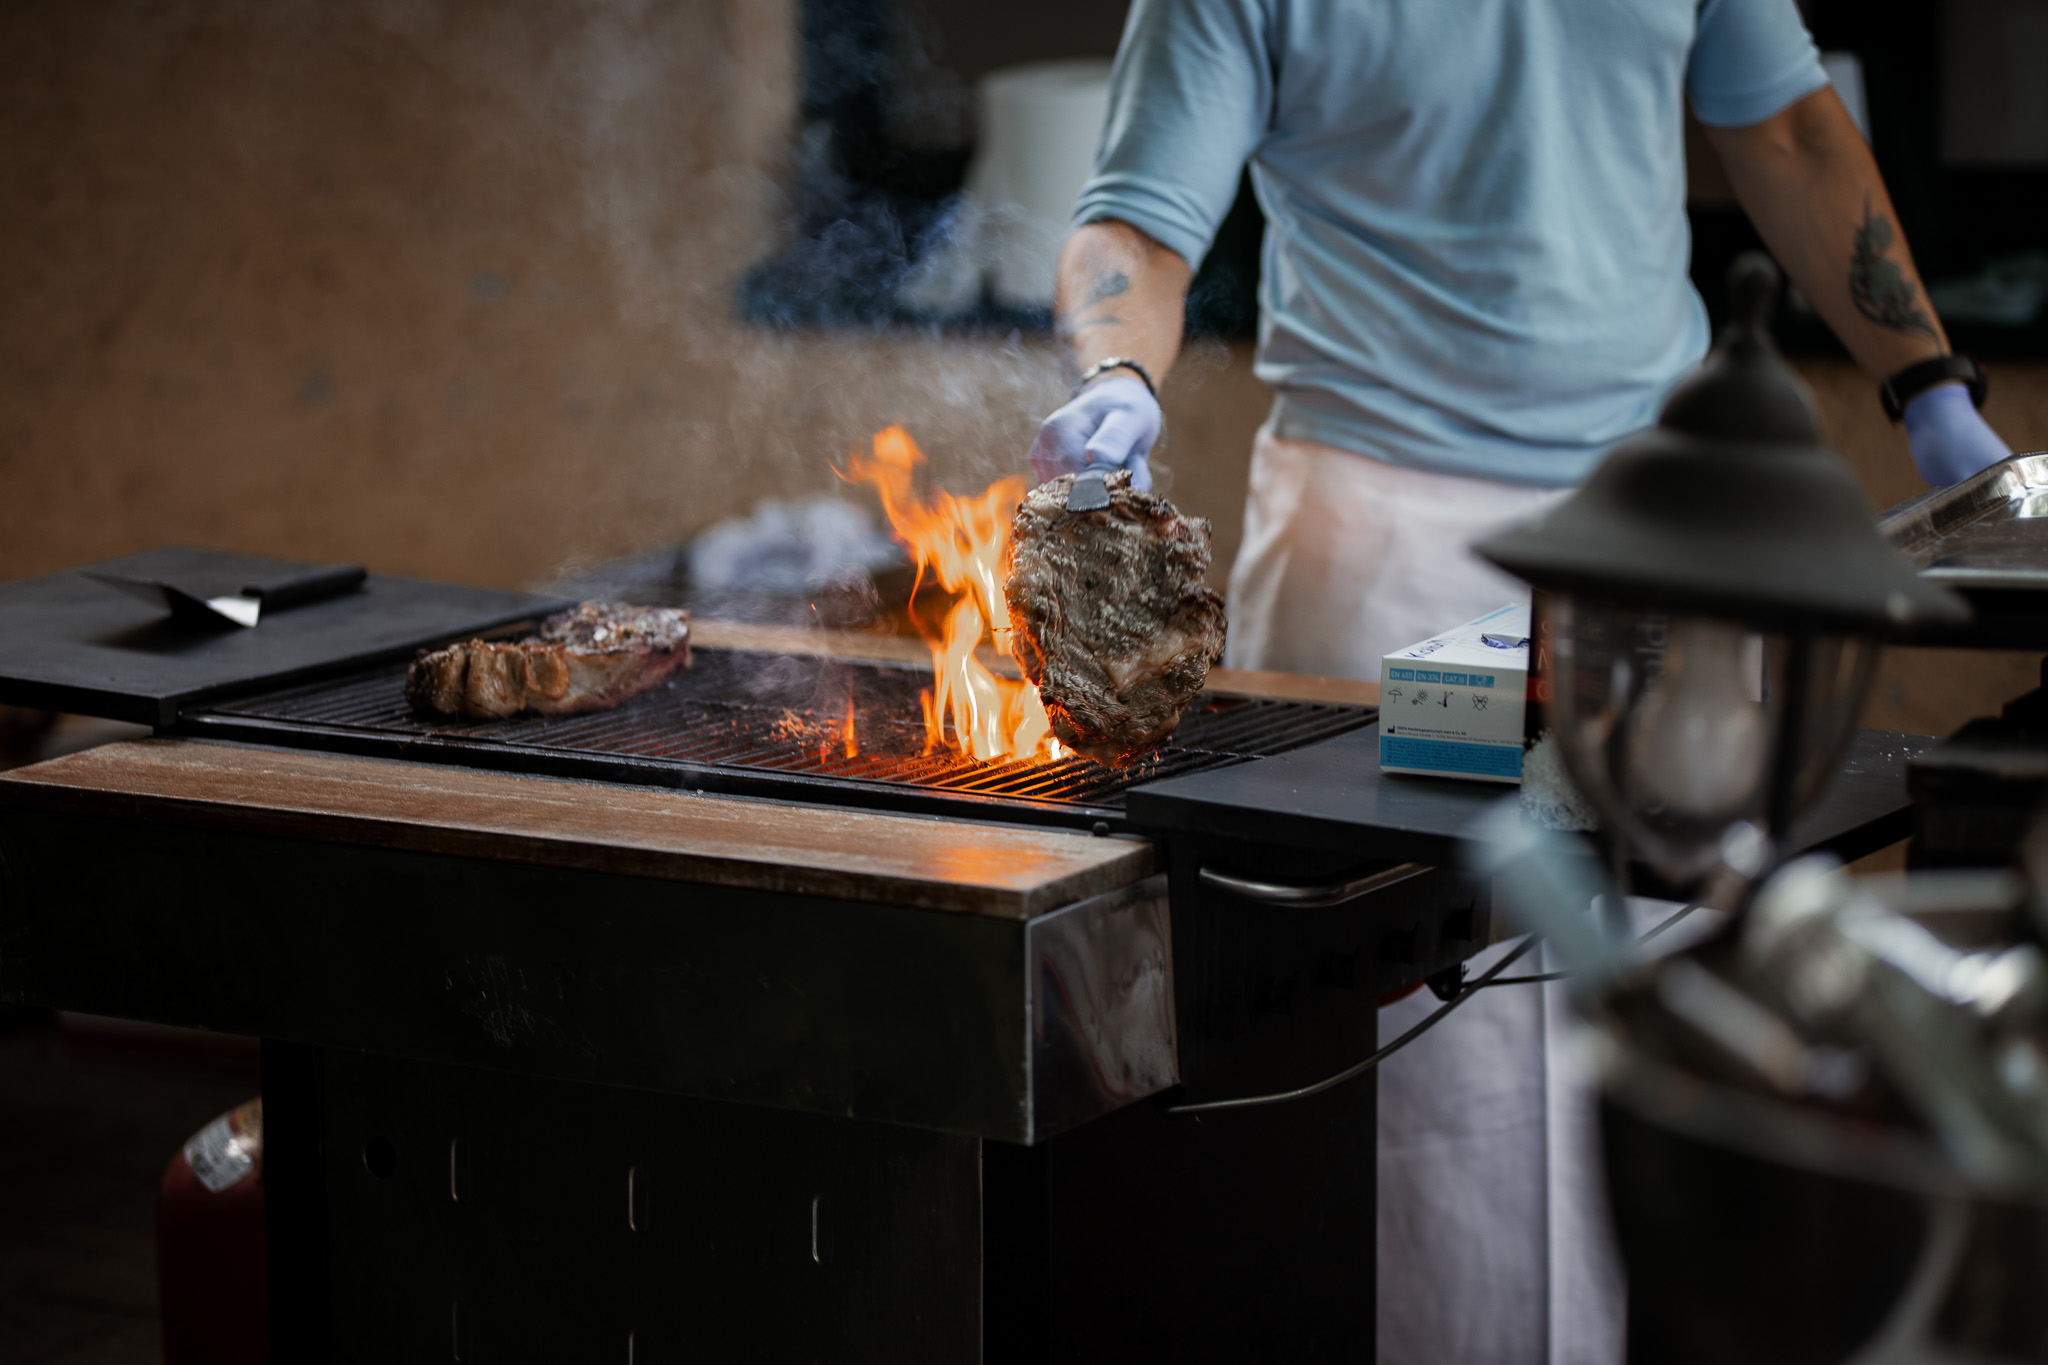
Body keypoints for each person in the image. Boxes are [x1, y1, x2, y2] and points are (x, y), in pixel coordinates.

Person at [1025, 2, 2014, 1362]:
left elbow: (1784, 123)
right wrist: (1120, 371)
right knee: (1423, 1084)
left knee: (1687, 1026)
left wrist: (1931, 387)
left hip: (1658, 525)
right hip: (1381, 540)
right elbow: (1135, 218)